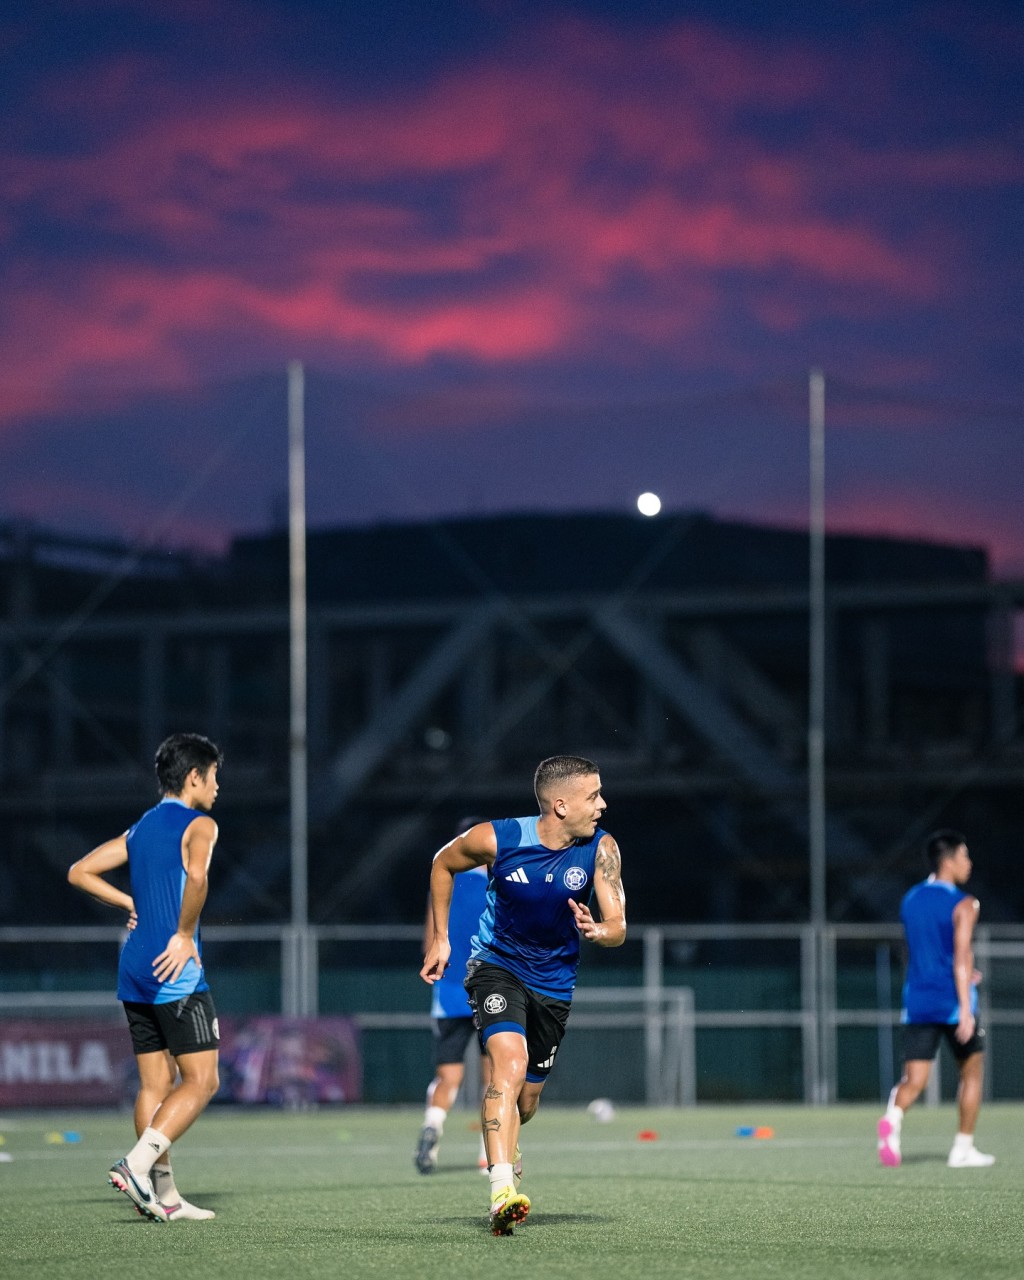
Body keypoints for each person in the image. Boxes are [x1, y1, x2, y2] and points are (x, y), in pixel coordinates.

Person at [420, 755, 626, 1235]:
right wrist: (442, 937)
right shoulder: (498, 838)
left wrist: (600, 930)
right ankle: (500, 1190)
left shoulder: (601, 848)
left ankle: (508, 1147)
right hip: (496, 967)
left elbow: (618, 925)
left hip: (553, 985)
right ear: (560, 804)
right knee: (506, 1064)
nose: (602, 805)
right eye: (593, 796)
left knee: (526, 1102)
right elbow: (442, 863)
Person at [68, 732, 224, 1221]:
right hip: (172, 971)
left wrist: (128, 902)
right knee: (203, 1080)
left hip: (134, 967)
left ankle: (164, 1197)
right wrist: (183, 933)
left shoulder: (140, 829)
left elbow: (80, 871)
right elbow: (197, 879)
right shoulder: (200, 824)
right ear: (194, 777)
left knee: (155, 1083)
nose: (218, 786)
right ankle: (137, 1166)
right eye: (215, 775)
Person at [877, 829, 994, 1169]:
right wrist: (965, 1008)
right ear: (950, 860)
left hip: (918, 1000)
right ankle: (962, 1149)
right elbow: (960, 956)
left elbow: (920, 950)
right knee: (971, 1072)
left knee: (913, 1081)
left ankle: (893, 1118)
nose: (969, 864)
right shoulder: (965, 902)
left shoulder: (910, 899)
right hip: (953, 1002)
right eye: (965, 856)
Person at [415, 817, 490, 1176]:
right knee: (495, 1080)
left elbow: (430, 943)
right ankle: (488, 1153)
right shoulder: (498, 883)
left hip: (448, 993)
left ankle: (433, 1124)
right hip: (491, 990)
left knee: (447, 1077)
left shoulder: (442, 881)